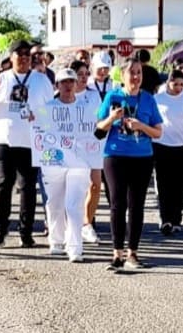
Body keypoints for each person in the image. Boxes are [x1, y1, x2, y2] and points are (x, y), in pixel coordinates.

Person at [0, 40, 54, 248]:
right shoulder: (0, 79)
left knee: (28, 188)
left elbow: (52, 111)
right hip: (4, 140)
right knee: (4, 185)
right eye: (19, 54)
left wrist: (37, 116)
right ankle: (0, 231)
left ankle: (26, 232)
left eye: (27, 54)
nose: (23, 57)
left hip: (30, 141)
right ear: (10, 57)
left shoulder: (42, 80)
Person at [96, 57, 163, 271]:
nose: (136, 77)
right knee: (117, 204)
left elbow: (158, 132)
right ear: (122, 76)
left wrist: (141, 125)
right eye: (132, 73)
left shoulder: (148, 99)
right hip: (115, 156)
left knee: (136, 205)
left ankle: (133, 253)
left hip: (142, 157)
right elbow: (99, 130)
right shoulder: (113, 96)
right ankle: (117, 253)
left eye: (139, 73)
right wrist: (112, 118)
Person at [36, 68, 99, 262]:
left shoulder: (86, 109)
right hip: (54, 162)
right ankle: (56, 240)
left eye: (71, 81)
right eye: (64, 82)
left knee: (74, 205)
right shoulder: (47, 108)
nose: (68, 85)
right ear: (57, 85)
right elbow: (40, 134)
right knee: (54, 202)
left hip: (79, 163)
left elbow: (94, 134)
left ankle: (75, 247)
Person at [153, 69, 183, 235]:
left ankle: (176, 219)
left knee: (179, 185)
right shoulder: (158, 99)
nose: (179, 87)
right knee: (163, 184)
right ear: (169, 82)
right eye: (175, 84)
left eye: (182, 84)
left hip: (182, 146)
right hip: (161, 145)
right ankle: (165, 218)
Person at [70, 59, 105, 244]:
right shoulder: (62, 95)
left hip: (91, 147)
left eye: (85, 74)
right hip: (69, 149)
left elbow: (100, 120)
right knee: (73, 190)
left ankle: (86, 223)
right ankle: (70, 227)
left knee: (95, 185)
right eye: (79, 75)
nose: (83, 78)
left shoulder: (93, 96)